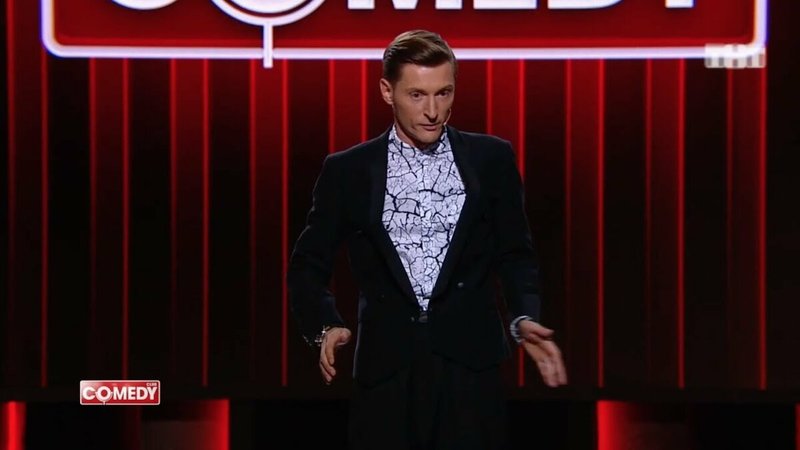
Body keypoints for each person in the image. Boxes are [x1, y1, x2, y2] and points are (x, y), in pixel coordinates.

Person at [287, 29, 567, 450]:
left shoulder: (491, 159)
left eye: (443, 93)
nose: (433, 111)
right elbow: (308, 265)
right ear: (387, 91)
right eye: (417, 95)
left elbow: (515, 254)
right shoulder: (349, 171)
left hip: (470, 368)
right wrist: (324, 324)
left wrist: (523, 317)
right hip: (386, 370)